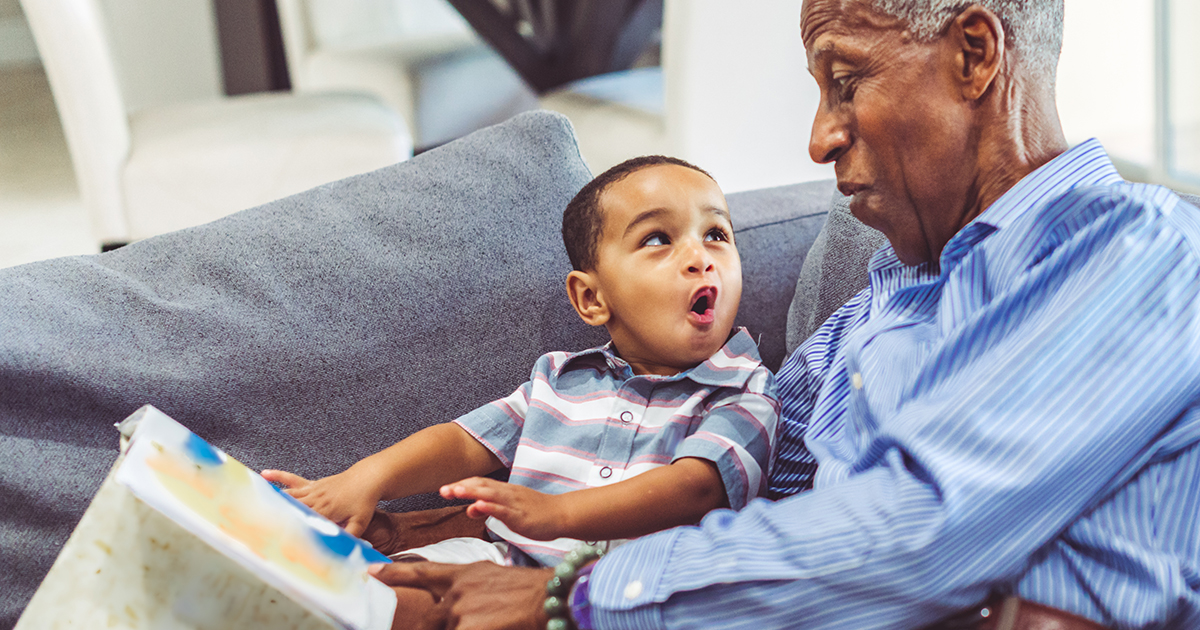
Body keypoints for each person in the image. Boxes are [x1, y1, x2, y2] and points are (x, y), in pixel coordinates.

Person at [365, 1, 1200, 629]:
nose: (819, 137)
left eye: (846, 82)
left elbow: (919, 530)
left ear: (974, 55)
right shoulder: (886, 296)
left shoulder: (1140, 254)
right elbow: (731, 484)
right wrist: (455, 532)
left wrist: (567, 596)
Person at [262, 155, 779, 576]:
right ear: (592, 299)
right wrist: (366, 479)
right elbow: (464, 442)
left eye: (716, 234)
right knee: (386, 588)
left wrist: (557, 514)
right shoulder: (560, 379)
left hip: (634, 591)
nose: (700, 257)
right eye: (657, 240)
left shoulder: (743, 389)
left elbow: (697, 487)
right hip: (505, 561)